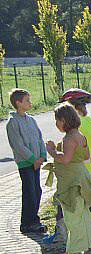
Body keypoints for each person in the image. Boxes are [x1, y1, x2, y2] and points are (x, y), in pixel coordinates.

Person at [46, 103, 91, 254]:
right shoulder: (81, 136)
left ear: (64, 120)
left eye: (57, 121)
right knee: (85, 215)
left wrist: (52, 151)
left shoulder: (69, 138)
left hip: (71, 182)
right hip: (82, 178)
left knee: (72, 216)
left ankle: (74, 251)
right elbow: (85, 156)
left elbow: (65, 159)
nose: (56, 124)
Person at [6, 89, 47, 234]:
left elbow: (39, 138)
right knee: (29, 191)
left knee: (37, 190)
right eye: (27, 101)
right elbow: (18, 145)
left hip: (36, 162)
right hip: (26, 163)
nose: (30, 103)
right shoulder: (13, 122)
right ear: (18, 103)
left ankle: (34, 219)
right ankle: (27, 223)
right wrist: (32, 159)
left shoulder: (31, 120)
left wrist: (42, 155)